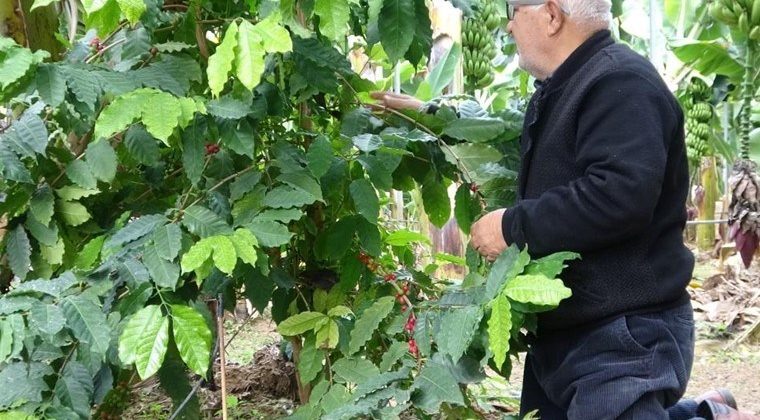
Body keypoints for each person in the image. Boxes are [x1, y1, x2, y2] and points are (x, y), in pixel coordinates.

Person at [372, 0, 758, 418]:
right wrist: (432, 114)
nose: (506, 26)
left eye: (514, 11)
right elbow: (505, 127)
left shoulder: (620, 83)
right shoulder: (571, 85)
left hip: (622, 333)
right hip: (572, 330)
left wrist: (512, 227)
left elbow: (619, 195)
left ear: (552, 15)